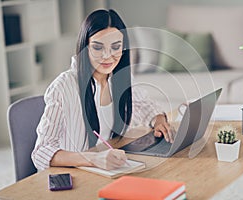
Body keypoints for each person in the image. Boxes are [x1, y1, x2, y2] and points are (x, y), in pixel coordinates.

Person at [32, 9, 174, 171]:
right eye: (98, 48)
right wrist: (93, 158)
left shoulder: (119, 77)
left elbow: (145, 107)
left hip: (112, 168)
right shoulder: (63, 87)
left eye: (115, 47)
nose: (108, 56)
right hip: (77, 173)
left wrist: (159, 120)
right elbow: (41, 152)